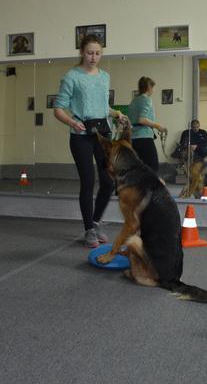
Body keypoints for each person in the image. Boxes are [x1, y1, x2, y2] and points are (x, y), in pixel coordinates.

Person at [53, 34, 129, 248]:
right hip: (80, 136)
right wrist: (71, 122)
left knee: (108, 181)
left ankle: (95, 222)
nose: (93, 57)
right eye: (89, 53)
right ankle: (88, 230)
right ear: (81, 52)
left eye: (98, 53)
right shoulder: (71, 76)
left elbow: (103, 107)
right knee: (87, 182)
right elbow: (58, 109)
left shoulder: (104, 76)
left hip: (102, 136)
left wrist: (117, 114)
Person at [127, 76, 166, 172]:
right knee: (152, 167)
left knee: (138, 169)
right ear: (149, 87)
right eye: (152, 87)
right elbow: (142, 120)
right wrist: (158, 126)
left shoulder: (134, 100)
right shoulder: (147, 99)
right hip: (144, 137)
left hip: (133, 138)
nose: (153, 90)